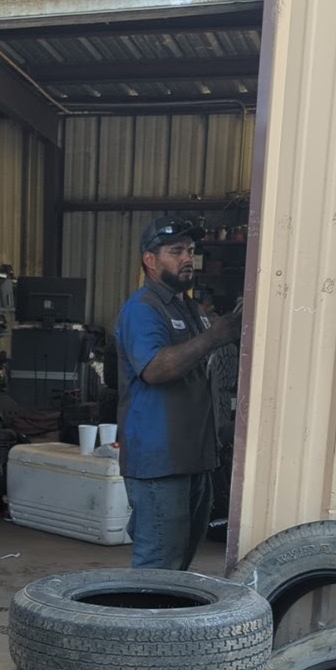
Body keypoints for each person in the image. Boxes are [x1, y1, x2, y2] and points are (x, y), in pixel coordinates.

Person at [115, 217, 242, 570]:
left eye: (190, 250)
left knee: (178, 565)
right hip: (159, 460)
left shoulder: (187, 307)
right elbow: (155, 369)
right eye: (175, 251)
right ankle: (144, 610)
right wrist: (214, 336)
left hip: (193, 457)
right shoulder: (143, 309)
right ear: (150, 260)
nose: (187, 258)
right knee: (158, 566)